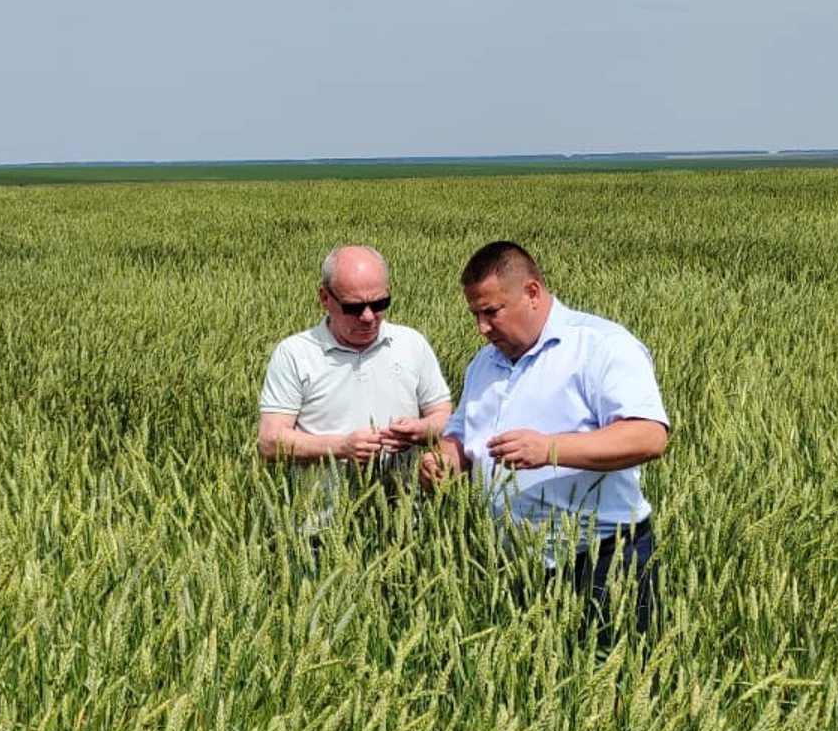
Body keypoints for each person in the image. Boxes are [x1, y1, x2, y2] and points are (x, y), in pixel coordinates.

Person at [420, 241, 669, 645]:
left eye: (491, 312)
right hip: (513, 563)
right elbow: (463, 437)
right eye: (475, 315)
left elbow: (648, 435)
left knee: (615, 687)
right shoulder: (484, 363)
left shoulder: (600, 346)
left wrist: (550, 449)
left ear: (532, 293)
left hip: (603, 561)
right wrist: (445, 458)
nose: (482, 327)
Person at [258, 246, 453, 547]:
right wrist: (342, 447)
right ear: (324, 298)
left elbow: (444, 418)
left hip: (406, 528)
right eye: (353, 307)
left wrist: (420, 431)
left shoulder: (412, 344)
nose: (368, 317)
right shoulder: (295, 354)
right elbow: (270, 442)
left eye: (380, 303)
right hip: (321, 534)